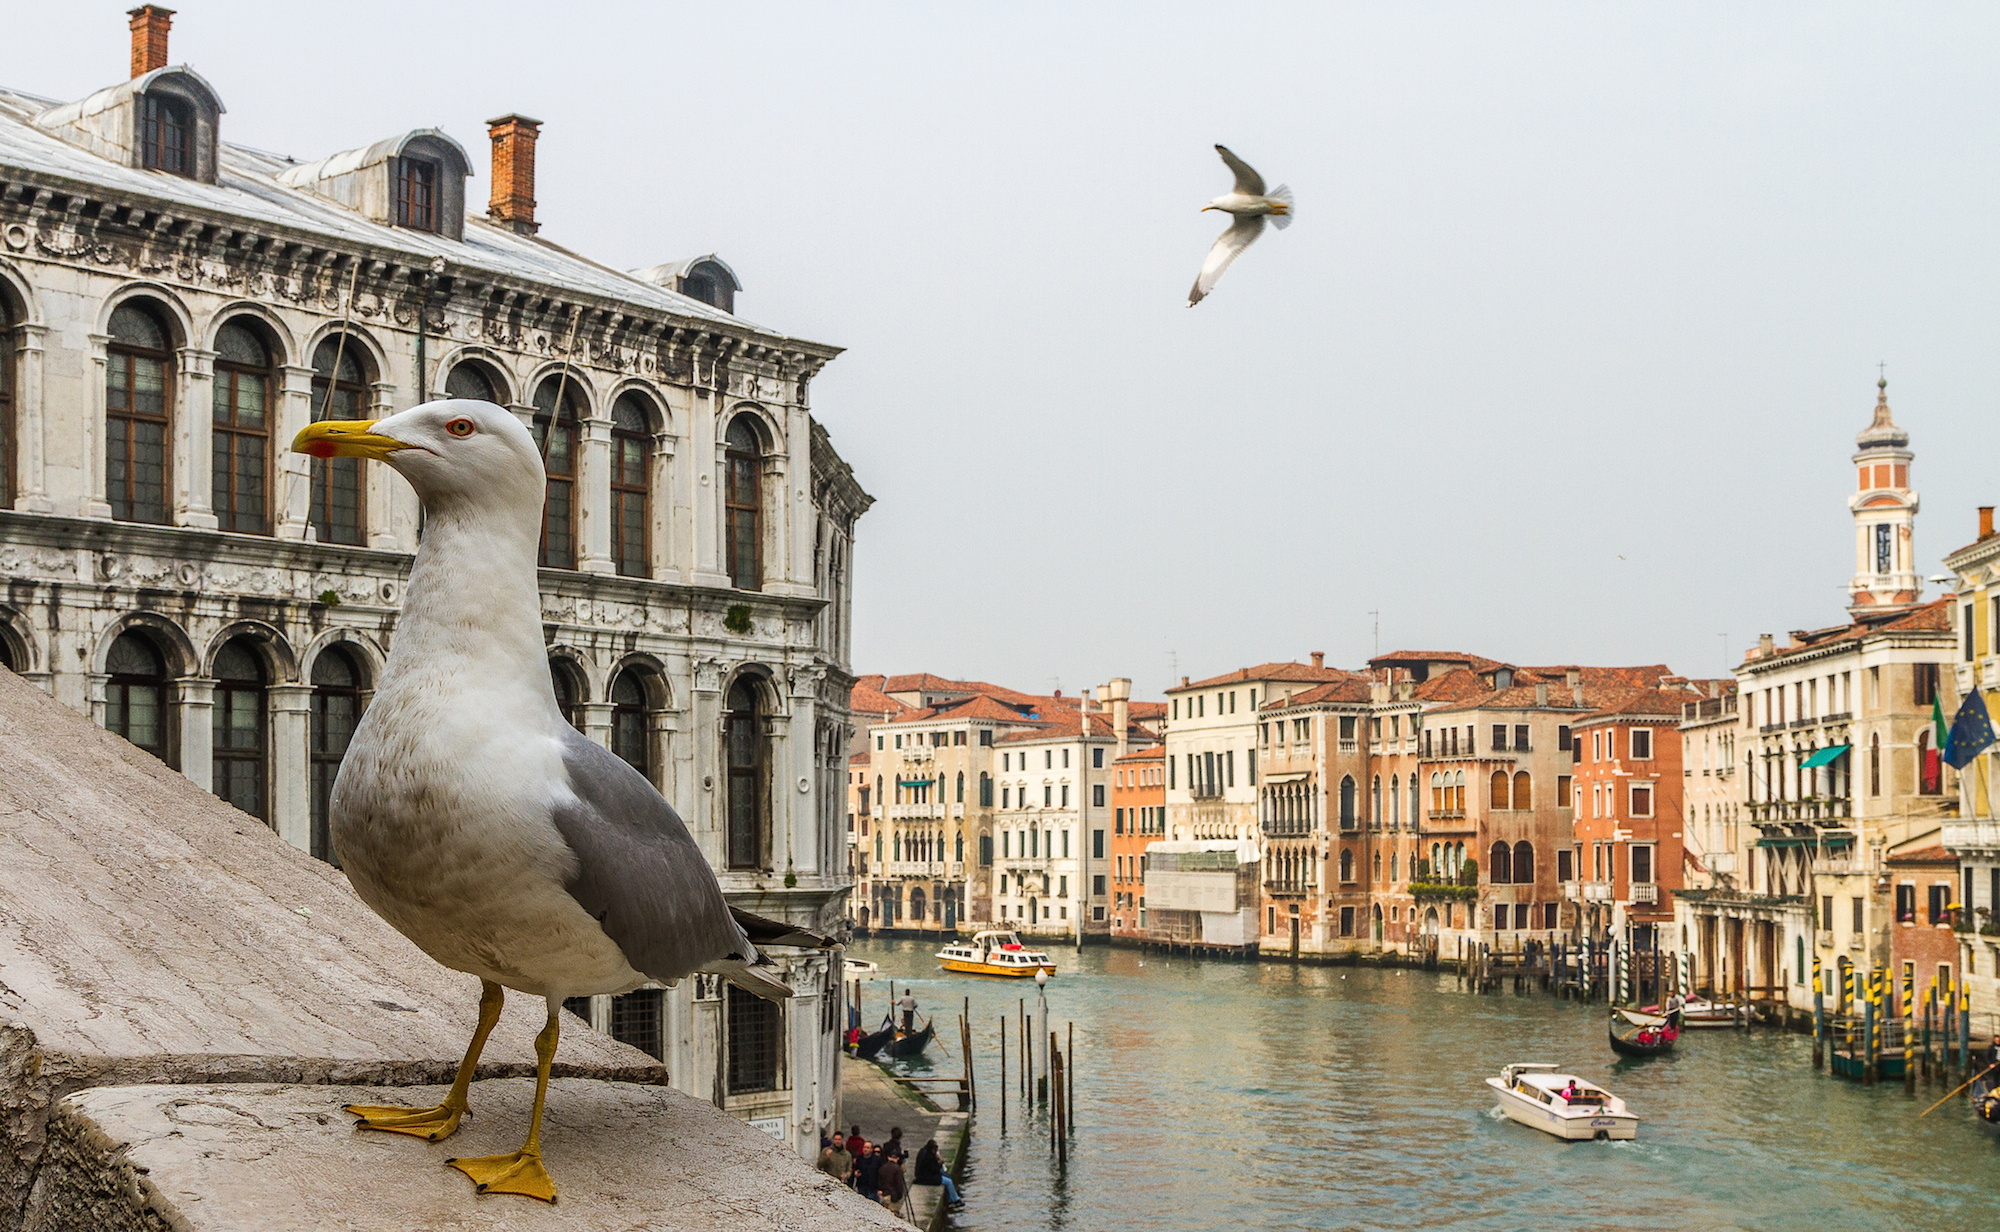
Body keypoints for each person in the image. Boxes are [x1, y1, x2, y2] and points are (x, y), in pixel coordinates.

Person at [913, 1138, 962, 1209]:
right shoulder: (928, 1157)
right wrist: (940, 1164)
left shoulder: (923, 1152)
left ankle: (951, 1198)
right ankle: (955, 1200)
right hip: (927, 1177)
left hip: (924, 1174)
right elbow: (934, 1170)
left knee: (948, 1176)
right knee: (948, 1181)